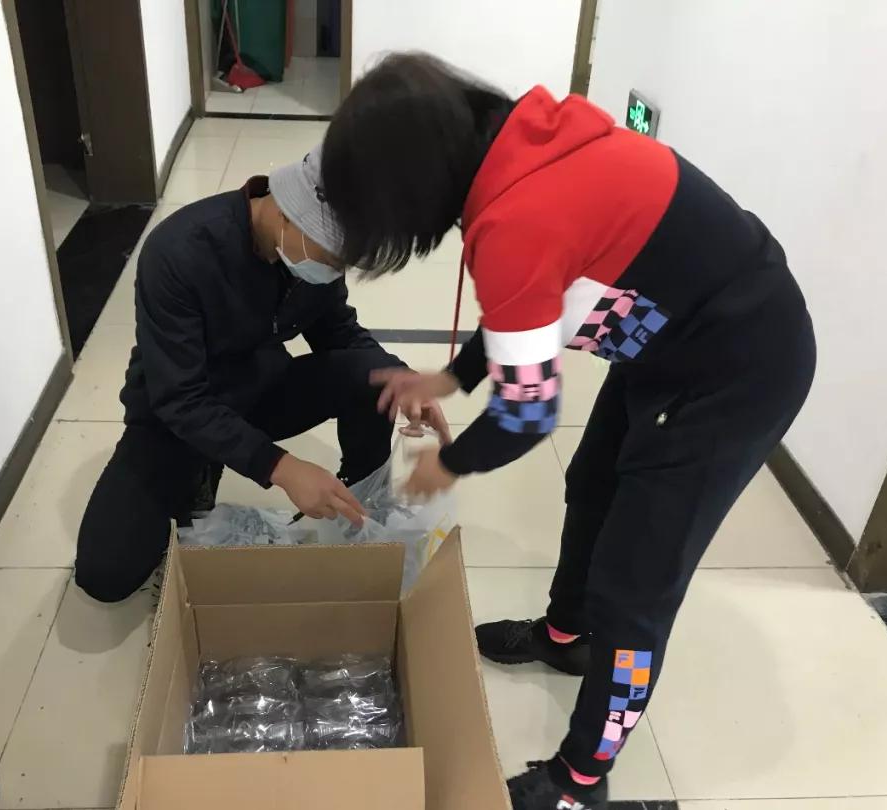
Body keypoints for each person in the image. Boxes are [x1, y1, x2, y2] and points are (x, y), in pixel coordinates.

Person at [320, 54, 816, 810]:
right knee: (591, 484)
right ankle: (567, 636)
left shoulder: (516, 219)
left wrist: (449, 463)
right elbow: (529, 300)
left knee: (635, 588)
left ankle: (581, 779)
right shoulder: (518, 148)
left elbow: (528, 413)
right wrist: (452, 380)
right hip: (673, 339)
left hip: (736, 368)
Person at [74, 145, 450, 604]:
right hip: (177, 417)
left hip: (259, 391)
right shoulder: (180, 252)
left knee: (377, 375)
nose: (336, 270)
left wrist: (405, 382)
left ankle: (359, 501)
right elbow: (179, 398)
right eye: (335, 257)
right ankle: (201, 470)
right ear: (291, 214)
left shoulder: (310, 255)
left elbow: (339, 333)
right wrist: (281, 467)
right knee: (105, 574)